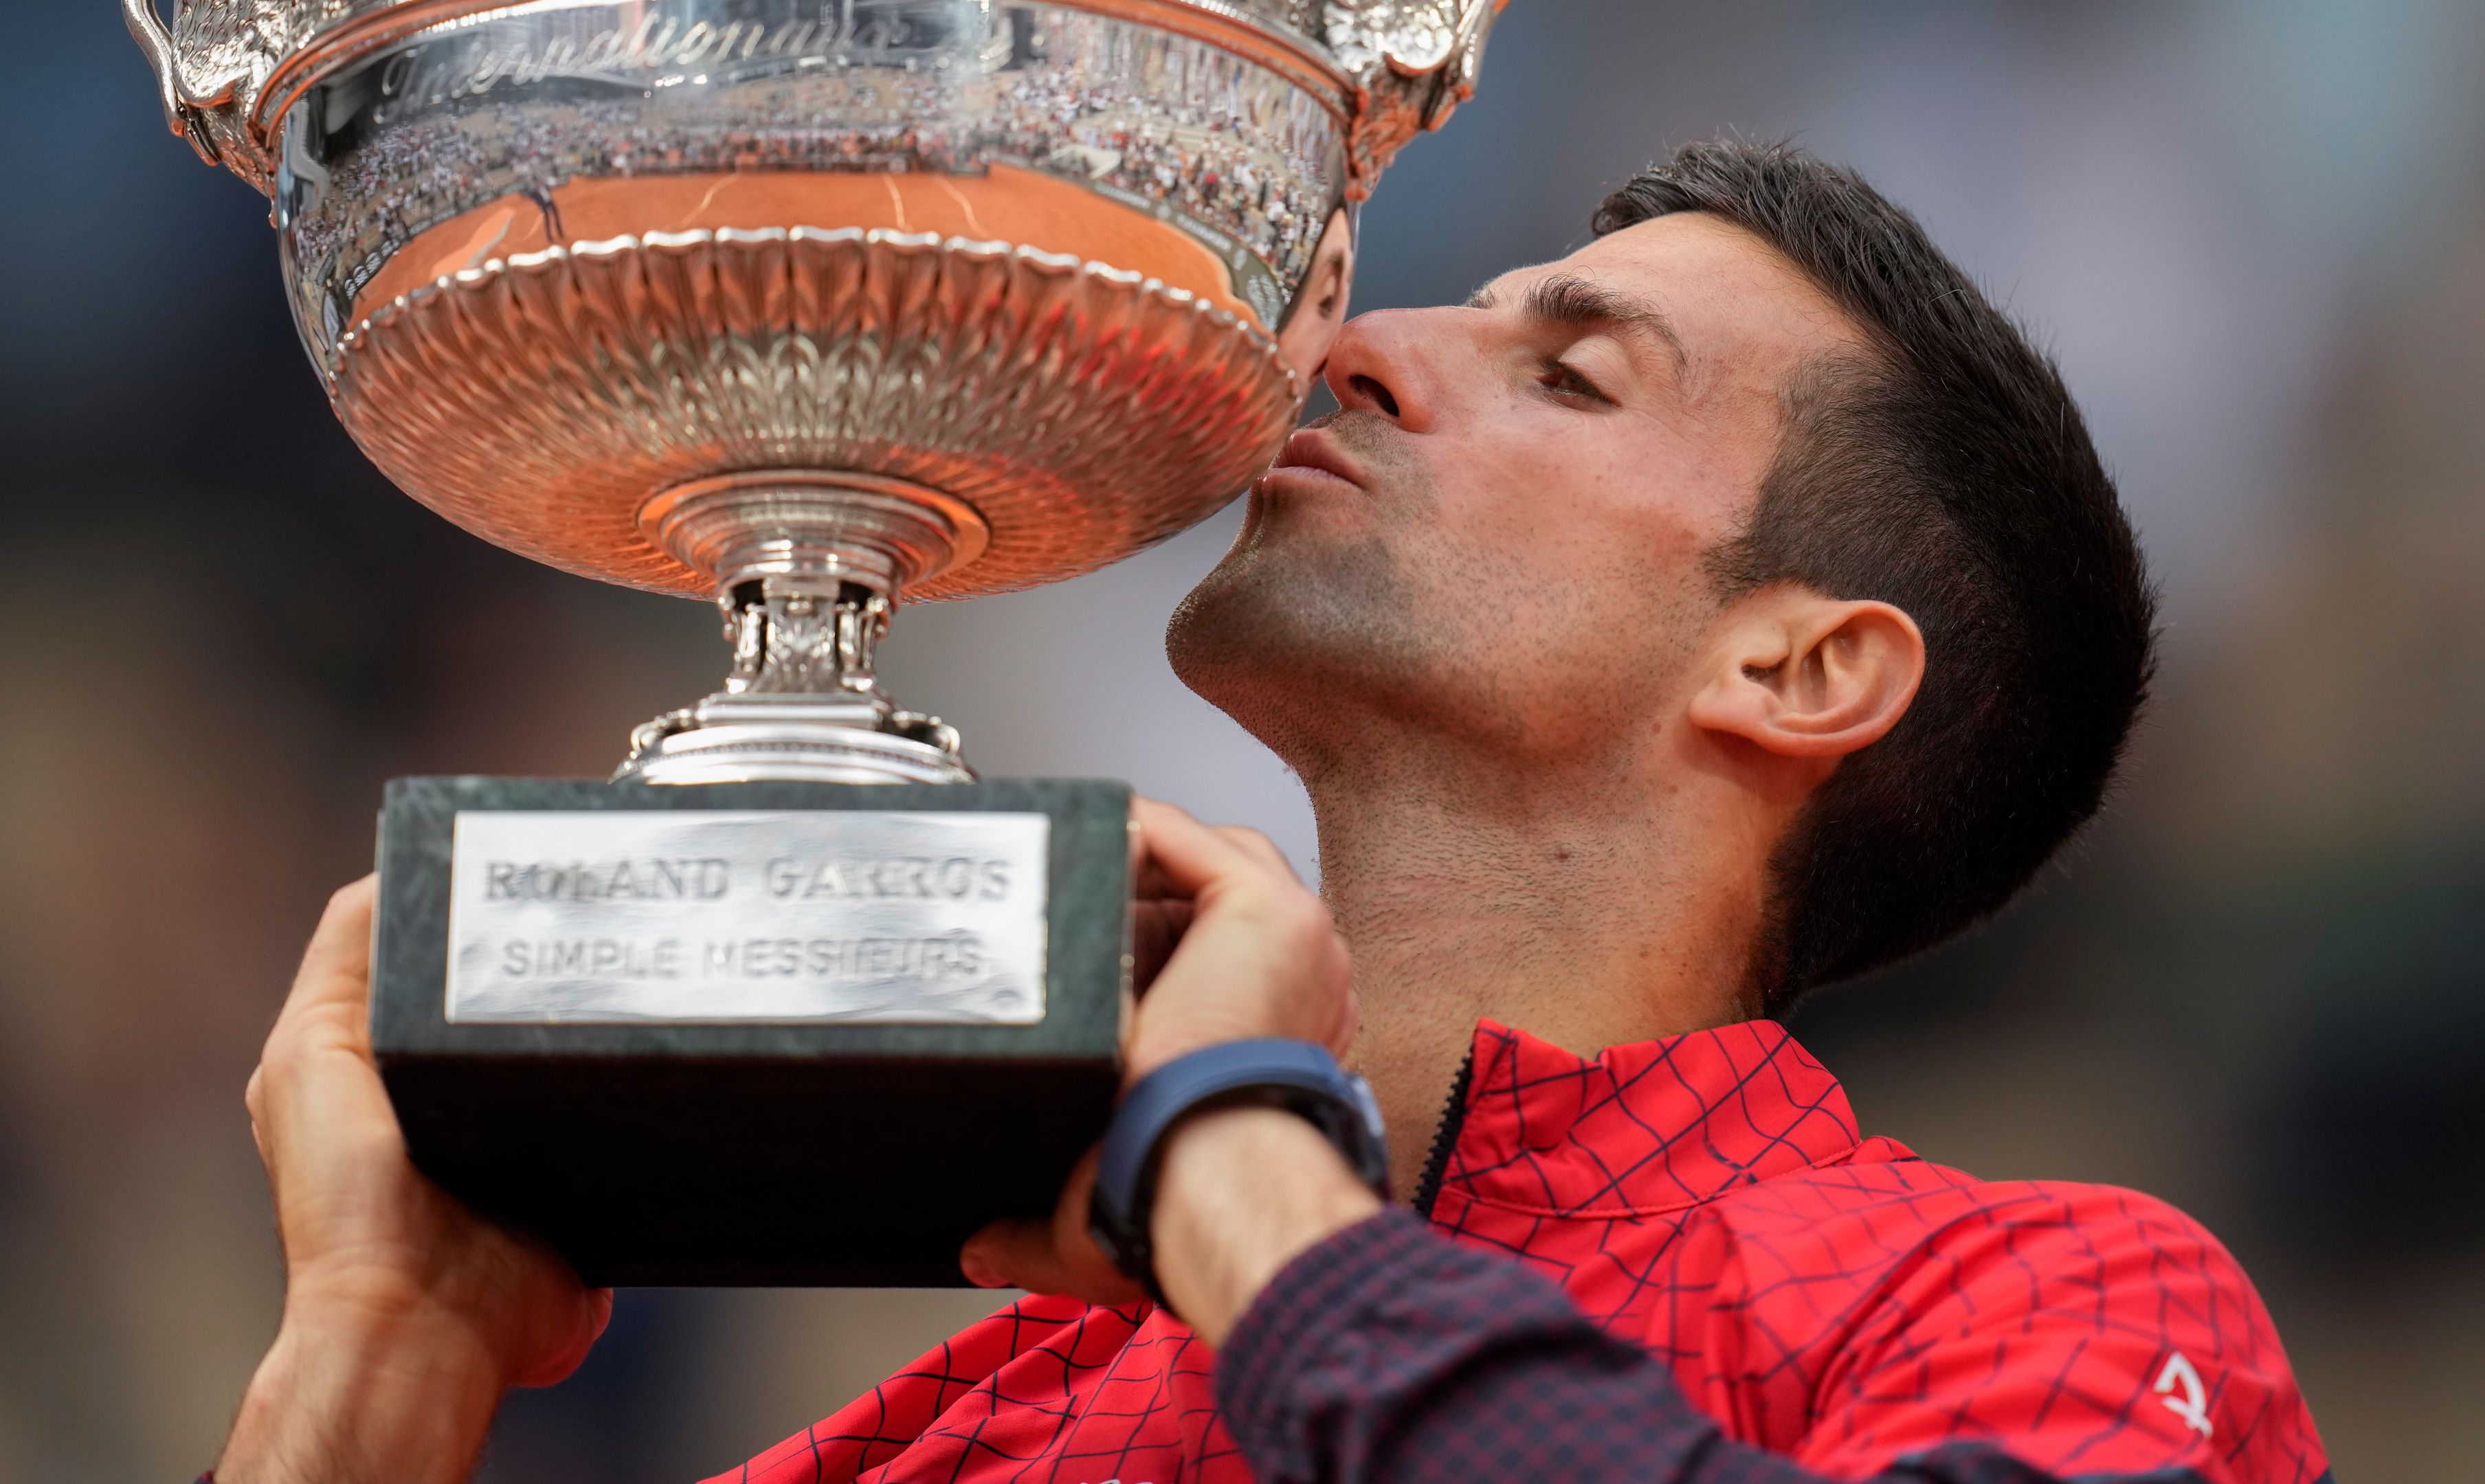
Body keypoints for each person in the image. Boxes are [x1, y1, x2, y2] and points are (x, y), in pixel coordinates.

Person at [212, 141, 2330, 1484]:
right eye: (1458, 314)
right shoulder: (979, 1424)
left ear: (1797, 667)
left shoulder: (2044, 1305)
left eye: (1571, 375)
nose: (1373, 345)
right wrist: (375, 1373)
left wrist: (1235, 1178)